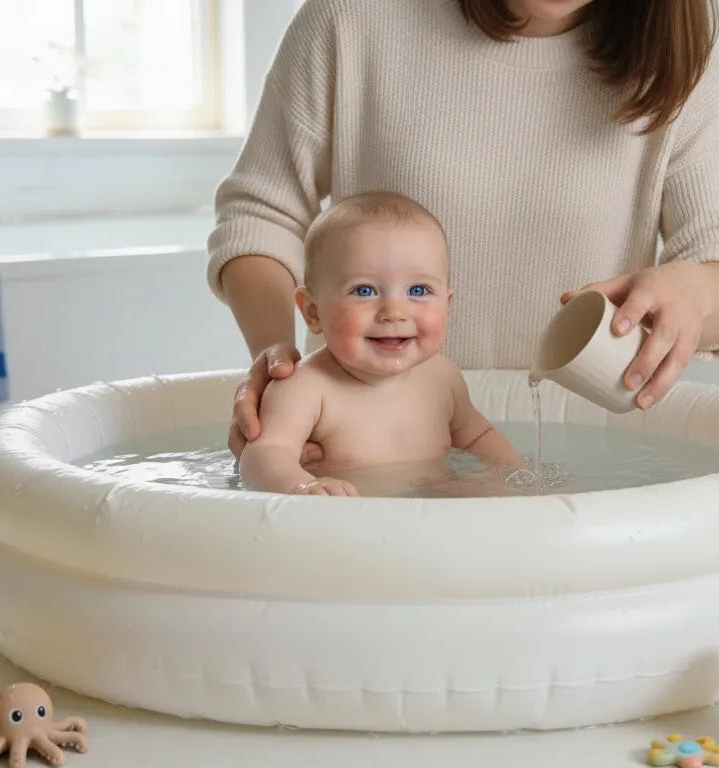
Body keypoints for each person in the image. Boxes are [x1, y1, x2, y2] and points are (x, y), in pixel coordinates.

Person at [208, 0, 719, 464]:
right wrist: (276, 366)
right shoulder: (351, 17)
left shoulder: (690, 46)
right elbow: (261, 215)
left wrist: (695, 292)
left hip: (595, 459)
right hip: (359, 452)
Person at [239, 191, 526, 496]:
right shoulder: (305, 388)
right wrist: (303, 484)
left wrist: (513, 472)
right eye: (364, 291)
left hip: (432, 512)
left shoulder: (442, 378)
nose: (394, 312)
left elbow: (478, 436)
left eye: (418, 289)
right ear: (312, 311)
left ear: (447, 302)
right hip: (347, 524)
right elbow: (262, 456)